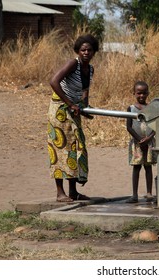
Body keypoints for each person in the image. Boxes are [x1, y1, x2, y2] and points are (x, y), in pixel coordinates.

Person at [48, 34, 99, 202]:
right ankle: (59, 193)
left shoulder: (89, 69)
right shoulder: (73, 64)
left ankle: (73, 192)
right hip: (60, 110)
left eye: (89, 50)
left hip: (74, 110)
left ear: (94, 52)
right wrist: (70, 103)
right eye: (83, 50)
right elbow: (54, 81)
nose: (86, 53)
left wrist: (85, 107)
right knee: (61, 149)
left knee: (76, 148)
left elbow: (85, 91)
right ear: (78, 51)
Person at [126, 81, 157, 203]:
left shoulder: (151, 108)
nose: (142, 96)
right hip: (136, 143)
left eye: (144, 93)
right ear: (134, 93)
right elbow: (129, 127)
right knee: (136, 168)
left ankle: (149, 193)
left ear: (148, 93)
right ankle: (135, 195)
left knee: (148, 167)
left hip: (149, 143)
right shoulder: (131, 108)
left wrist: (148, 139)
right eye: (139, 93)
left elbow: (156, 126)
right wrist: (139, 140)